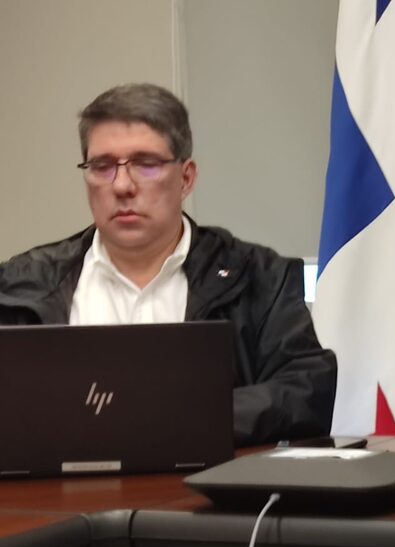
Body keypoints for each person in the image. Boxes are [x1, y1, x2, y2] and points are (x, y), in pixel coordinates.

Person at [0, 83, 336, 447]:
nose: (123, 185)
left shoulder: (260, 278)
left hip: (206, 498)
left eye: (145, 165)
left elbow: (305, 392)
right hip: (54, 501)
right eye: (103, 166)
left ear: (186, 178)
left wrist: (167, 418)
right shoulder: (20, 285)